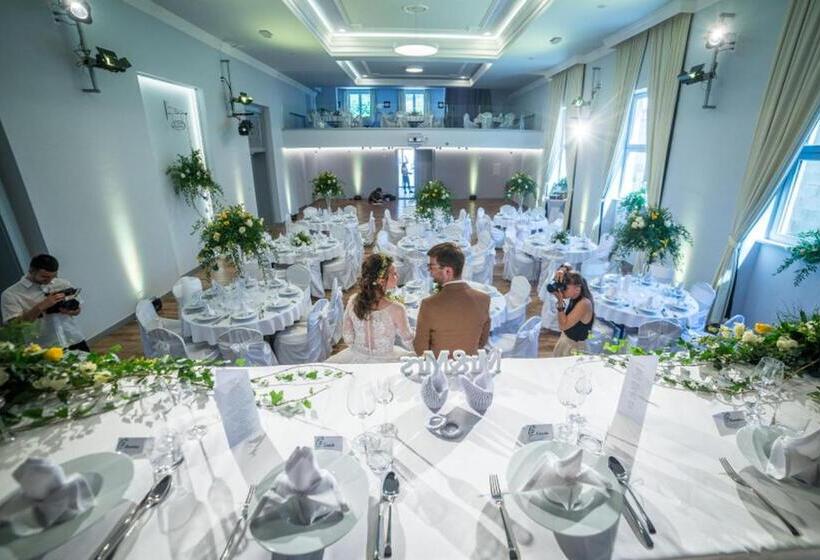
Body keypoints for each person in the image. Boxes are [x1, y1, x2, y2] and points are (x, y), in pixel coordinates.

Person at [327, 254, 414, 363]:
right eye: (394, 274)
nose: (398, 276)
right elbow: (409, 340)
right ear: (381, 281)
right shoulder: (397, 309)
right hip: (387, 361)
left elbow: (348, 337)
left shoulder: (353, 301)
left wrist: (362, 349)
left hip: (356, 358)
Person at [414, 242, 490, 356]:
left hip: (439, 365)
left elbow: (421, 349)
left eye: (431, 267)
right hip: (469, 364)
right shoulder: (484, 299)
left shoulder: (429, 304)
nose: (429, 271)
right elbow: (482, 342)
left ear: (448, 271)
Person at [1, 254, 89, 351]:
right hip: (43, 347)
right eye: (44, 276)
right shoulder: (11, 294)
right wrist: (41, 307)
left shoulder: (62, 283)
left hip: (74, 339)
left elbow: (78, 311)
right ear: (31, 270)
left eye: (53, 276)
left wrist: (70, 311)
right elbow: (14, 326)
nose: (50, 280)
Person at [551, 269, 594, 357]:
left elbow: (563, 326)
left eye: (565, 288)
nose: (562, 291)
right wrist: (562, 270)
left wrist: (560, 301)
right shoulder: (576, 295)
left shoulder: (584, 303)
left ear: (577, 289)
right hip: (566, 341)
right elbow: (568, 269)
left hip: (574, 348)